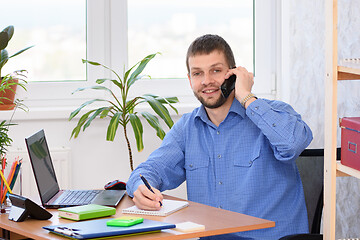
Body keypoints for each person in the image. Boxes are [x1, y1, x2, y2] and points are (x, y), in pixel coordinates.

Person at [126, 34, 313, 240]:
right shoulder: (187, 128)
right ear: (190, 80)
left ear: (232, 74)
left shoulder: (273, 113)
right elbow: (152, 169)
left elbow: (294, 144)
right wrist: (140, 187)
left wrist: (247, 97)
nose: (207, 81)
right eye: (198, 73)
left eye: (216, 70)